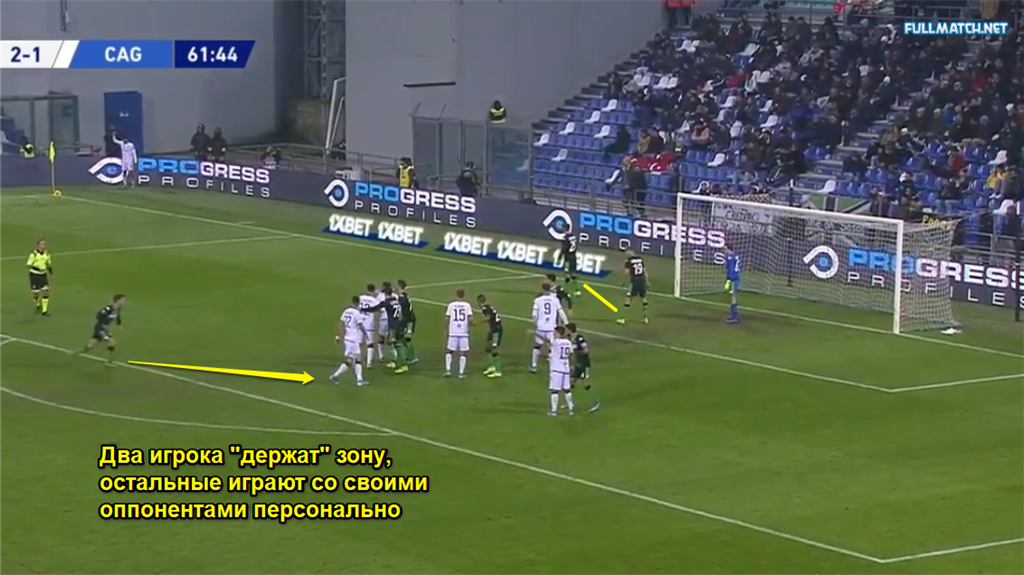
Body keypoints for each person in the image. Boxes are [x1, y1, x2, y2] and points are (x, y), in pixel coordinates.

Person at [330, 296, 369, 386]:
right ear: (358, 303)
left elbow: (341, 323)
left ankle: (358, 379)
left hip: (348, 338)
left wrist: (338, 335)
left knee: (353, 360)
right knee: (354, 360)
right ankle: (357, 379)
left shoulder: (346, 311)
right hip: (353, 339)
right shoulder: (356, 313)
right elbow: (360, 325)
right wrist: (366, 334)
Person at [530, 283, 567, 373]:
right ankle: (553, 367)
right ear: (550, 290)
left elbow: (534, 315)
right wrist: (566, 322)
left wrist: (536, 324)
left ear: (542, 289)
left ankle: (534, 366)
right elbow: (561, 312)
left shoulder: (538, 300)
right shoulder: (555, 300)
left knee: (537, 346)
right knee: (553, 348)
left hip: (541, 328)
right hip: (551, 329)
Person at [80, 294, 125, 364]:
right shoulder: (108, 308)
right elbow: (98, 315)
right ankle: (109, 362)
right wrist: (104, 323)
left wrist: (119, 324)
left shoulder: (117, 309)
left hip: (103, 329)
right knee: (111, 342)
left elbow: (117, 315)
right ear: (117, 301)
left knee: (91, 346)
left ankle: (77, 352)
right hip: (101, 328)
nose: (124, 302)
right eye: (122, 300)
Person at [566, 323, 599, 412]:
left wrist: (576, 351)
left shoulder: (580, 339)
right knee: (571, 383)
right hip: (577, 364)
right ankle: (570, 403)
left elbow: (586, 351)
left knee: (585, 385)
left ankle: (595, 403)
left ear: (570, 330)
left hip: (584, 364)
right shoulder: (569, 338)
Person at [444, 289, 473, 379]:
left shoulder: (451, 305)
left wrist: (446, 329)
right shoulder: (467, 305)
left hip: (453, 331)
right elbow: (470, 319)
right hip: (463, 332)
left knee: (449, 351)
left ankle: (448, 370)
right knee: (463, 353)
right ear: (464, 295)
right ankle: (461, 373)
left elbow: (447, 318)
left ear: (456, 295)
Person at [547, 326, 576, 417]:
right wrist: (571, 365)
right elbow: (571, 354)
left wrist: (534, 333)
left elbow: (547, 342)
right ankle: (571, 409)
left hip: (556, 369)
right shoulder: (568, 342)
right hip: (565, 369)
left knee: (554, 391)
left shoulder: (556, 342)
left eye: (555, 333)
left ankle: (554, 411)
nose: (554, 334)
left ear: (559, 333)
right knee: (567, 390)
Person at [616, 249, 650, 325]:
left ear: (631, 252)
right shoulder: (640, 259)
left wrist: (623, 282)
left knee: (628, 299)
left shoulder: (628, 261)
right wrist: (647, 282)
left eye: (627, 252)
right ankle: (645, 318)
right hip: (641, 281)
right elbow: (644, 271)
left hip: (634, 282)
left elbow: (627, 273)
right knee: (644, 299)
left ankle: (623, 319)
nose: (626, 254)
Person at [393, 279, 418, 372]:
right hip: (408, 320)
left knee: (404, 339)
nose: (394, 287)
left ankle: (410, 358)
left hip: (408, 321)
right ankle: (411, 357)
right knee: (404, 339)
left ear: (399, 286)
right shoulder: (404, 296)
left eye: (396, 285)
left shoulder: (402, 298)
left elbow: (404, 311)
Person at [476, 294, 504, 378]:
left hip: (496, 330)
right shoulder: (488, 307)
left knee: (494, 349)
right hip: (492, 329)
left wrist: (478, 322)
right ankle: (492, 366)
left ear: (479, 302)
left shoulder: (486, 309)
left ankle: (498, 371)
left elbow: (488, 318)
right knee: (488, 348)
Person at [26, 238, 52, 315]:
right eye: (42, 244)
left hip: (43, 275)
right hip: (34, 275)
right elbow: (28, 265)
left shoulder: (47, 254)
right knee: (36, 294)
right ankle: (37, 302)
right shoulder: (33, 254)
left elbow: (48, 264)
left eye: (44, 244)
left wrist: (51, 273)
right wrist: (38, 267)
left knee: (45, 291)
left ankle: (44, 311)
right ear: (38, 245)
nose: (44, 246)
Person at [358, 285, 382, 368]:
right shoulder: (374, 300)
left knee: (360, 342)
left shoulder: (360, 297)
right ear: (373, 291)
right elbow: (379, 309)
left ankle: (358, 360)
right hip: (369, 323)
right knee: (370, 343)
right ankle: (369, 363)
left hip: (360, 322)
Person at [558, 231, 582, 296]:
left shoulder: (566, 238)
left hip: (567, 258)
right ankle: (577, 290)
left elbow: (564, 249)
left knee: (567, 274)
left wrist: (559, 257)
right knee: (573, 274)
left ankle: (567, 291)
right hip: (573, 257)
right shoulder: (573, 237)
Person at [723, 245, 741, 324]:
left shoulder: (729, 258)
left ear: (729, 249)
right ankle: (734, 315)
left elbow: (730, 270)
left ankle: (735, 317)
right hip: (736, 278)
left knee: (733, 297)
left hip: (732, 279)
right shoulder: (736, 256)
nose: (724, 251)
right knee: (732, 296)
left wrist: (728, 282)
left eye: (725, 249)